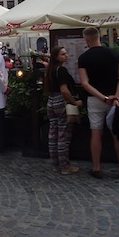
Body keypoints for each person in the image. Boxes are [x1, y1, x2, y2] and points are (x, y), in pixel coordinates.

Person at [78, 27, 119, 180]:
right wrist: (116, 97)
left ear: (86, 39)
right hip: (115, 99)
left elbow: (85, 83)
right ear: (99, 37)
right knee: (118, 133)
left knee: (96, 133)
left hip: (95, 99)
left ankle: (96, 168)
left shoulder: (84, 58)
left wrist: (104, 98)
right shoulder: (115, 54)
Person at [44, 46, 83, 175]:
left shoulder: (50, 70)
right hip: (61, 101)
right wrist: (74, 102)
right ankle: (65, 166)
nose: (66, 56)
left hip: (51, 100)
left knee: (53, 133)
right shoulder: (61, 70)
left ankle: (55, 164)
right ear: (56, 57)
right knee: (63, 135)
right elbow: (64, 90)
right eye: (63, 54)